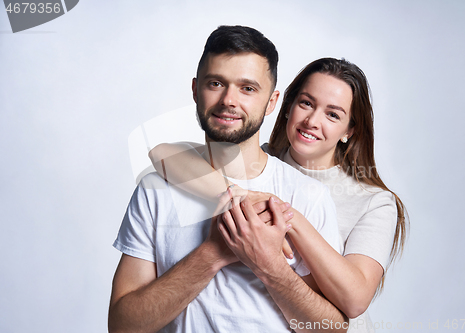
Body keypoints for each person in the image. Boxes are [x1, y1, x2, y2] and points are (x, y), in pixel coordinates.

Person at [109, 25, 349, 333]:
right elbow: (122, 326)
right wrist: (212, 253)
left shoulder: (306, 195)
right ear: (195, 89)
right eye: (216, 83)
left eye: (247, 88)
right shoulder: (155, 189)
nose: (228, 100)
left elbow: (332, 329)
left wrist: (269, 265)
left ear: (272, 102)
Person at [149, 57, 408, 332]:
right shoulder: (258, 163)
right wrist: (241, 195)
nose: (312, 121)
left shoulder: (373, 202)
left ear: (349, 131)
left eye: (333, 115)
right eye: (306, 103)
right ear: (287, 106)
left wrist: (289, 216)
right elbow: (163, 154)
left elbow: (355, 300)